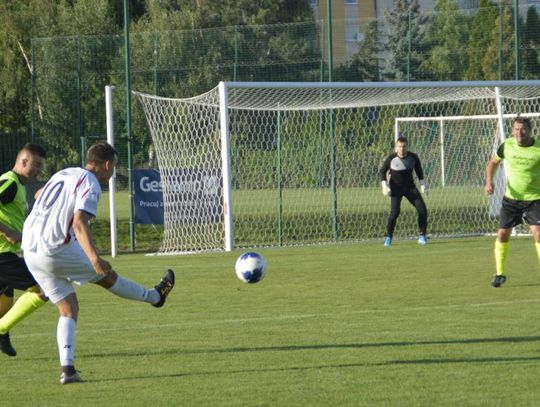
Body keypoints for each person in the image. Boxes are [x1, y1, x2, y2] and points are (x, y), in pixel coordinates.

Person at [21, 141, 175, 384]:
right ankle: (155, 297)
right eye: (114, 166)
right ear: (106, 164)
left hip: (30, 250)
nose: (113, 172)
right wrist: (95, 258)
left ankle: (68, 371)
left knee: (68, 309)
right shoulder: (91, 183)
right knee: (107, 276)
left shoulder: (65, 172)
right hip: (55, 248)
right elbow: (79, 223)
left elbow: (41, 194)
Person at [0, 143, 49, 357]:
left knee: (5, 302)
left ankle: (3, 332)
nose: (39, 169)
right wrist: (7, 232)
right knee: (43, 289)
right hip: (2, 255)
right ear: (23, 161)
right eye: (36, 165)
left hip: (7, 253)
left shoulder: (18, 185)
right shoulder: (9, 182)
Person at [485, 116, 540, 288]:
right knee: (502, 234)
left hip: (535, 198)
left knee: (538, 233)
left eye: (523, 129)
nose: (519, 132)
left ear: (530, 131)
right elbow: (493, 162)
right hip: (511, 199)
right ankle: (500, 273)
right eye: (516, 129)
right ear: (512, 130)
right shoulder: (507, 145)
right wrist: (489, 181)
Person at [379, 136, 429, 246]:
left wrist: (423, 184)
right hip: (396, 189)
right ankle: (388, 237)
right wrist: (384, 185)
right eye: (399, 146)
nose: (402, 149)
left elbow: (419, 171)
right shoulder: (391, 158)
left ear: (407, 147)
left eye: (404, 146)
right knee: (394, 213)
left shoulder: (413, 157)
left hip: (410, 188)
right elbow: (382, 172)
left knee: (422, 209)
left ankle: (422, 236)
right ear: (396, 147)